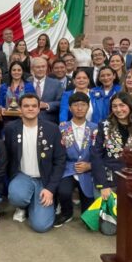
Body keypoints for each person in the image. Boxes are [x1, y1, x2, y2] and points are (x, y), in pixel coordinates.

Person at [4, 94, 66, 232]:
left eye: (34, 106)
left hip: (44, 181)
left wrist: (50, 189)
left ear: (39, 109)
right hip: (23, 176)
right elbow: (7, 157)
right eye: (26, 106)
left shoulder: (52, 129)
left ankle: (39, 202)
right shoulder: (10, 129)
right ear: (20, 109)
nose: (30, 109)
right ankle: (23, 204)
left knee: (41, 226)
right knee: (16, 196)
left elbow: (60, 161)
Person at [56, 92, 98, 227]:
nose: (79, 108)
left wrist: (90, 165)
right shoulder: (62, 128)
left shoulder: (96, 128)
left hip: (88, 170)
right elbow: (57, 154)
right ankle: (66, 212)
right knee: (63, 191)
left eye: (83, 105)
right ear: (70, 108)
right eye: (75, 105)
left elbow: (100, 154)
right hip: (68, 168)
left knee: (89, 211)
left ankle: (86, 211)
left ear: (88, 107)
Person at [92, 92, 132, 200]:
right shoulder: (104, 126)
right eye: (114, 106)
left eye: (122, 105)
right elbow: (96, 156)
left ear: (130, 106)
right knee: (105, 216)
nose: (118, 110)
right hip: (108, 181)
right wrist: (103, 185)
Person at [29, 57, 64, 124]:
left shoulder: (56, 83)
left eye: (43, 66)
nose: (41, 69)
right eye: (38, 67)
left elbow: (61, 102)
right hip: (29, 122)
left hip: (50, 122)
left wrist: (47, 105)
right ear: (32, 68)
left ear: (47, 68)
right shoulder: (26, 82)